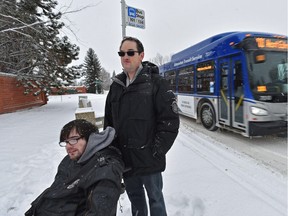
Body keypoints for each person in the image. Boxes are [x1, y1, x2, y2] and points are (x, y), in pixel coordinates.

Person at [104, 36, 180, 216]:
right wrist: (112, 152)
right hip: (126, 160)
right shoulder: (116, 87)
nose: (125, 56)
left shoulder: (157, 83)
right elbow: (109, 124)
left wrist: (156, 151)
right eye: (122, 53)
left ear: (141, 55)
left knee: (156, 200)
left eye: (131, 52)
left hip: (150, 160)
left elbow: (169, 121)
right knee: (136, 201)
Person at [25, 119, 124, 216]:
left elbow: (100, 210)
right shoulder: (69, 160)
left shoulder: (106, 168)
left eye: (73, 140)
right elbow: (56, 190)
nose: (68, 146)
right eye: (66, 142)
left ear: (91, 139)